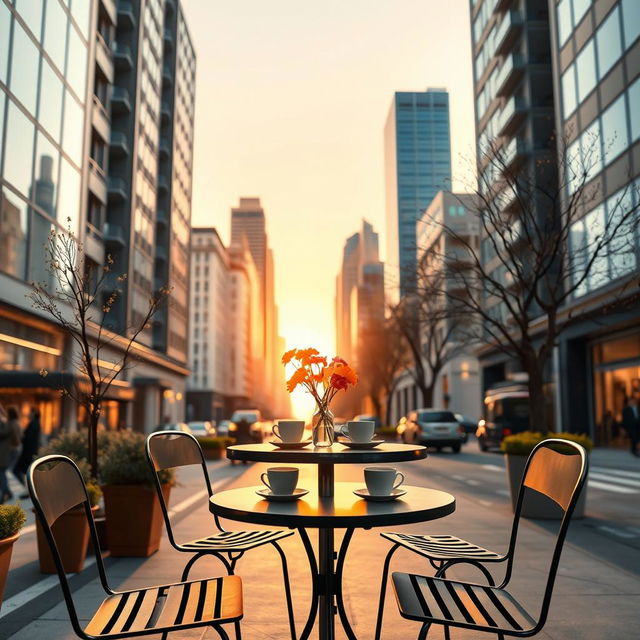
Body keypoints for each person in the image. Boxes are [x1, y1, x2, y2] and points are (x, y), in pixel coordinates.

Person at [13, 407, 42, 494]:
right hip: (29, 451)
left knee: (19, 470)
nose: (28, 414)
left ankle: (28, 490)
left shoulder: (34, 424)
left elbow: (27, 438)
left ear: (33, 414)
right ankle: (28, 490)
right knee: (24, 471)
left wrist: (22, 436)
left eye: (30, 412)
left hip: (28, 452)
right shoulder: (34, 423)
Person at [0, 406, 22, 503]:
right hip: (12, 450)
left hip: (5, 451)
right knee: (3, 471)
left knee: (2, 472)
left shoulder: (10, 424)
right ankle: (6, 491)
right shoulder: (16, 423)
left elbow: (2, 432)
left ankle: (6, 492)